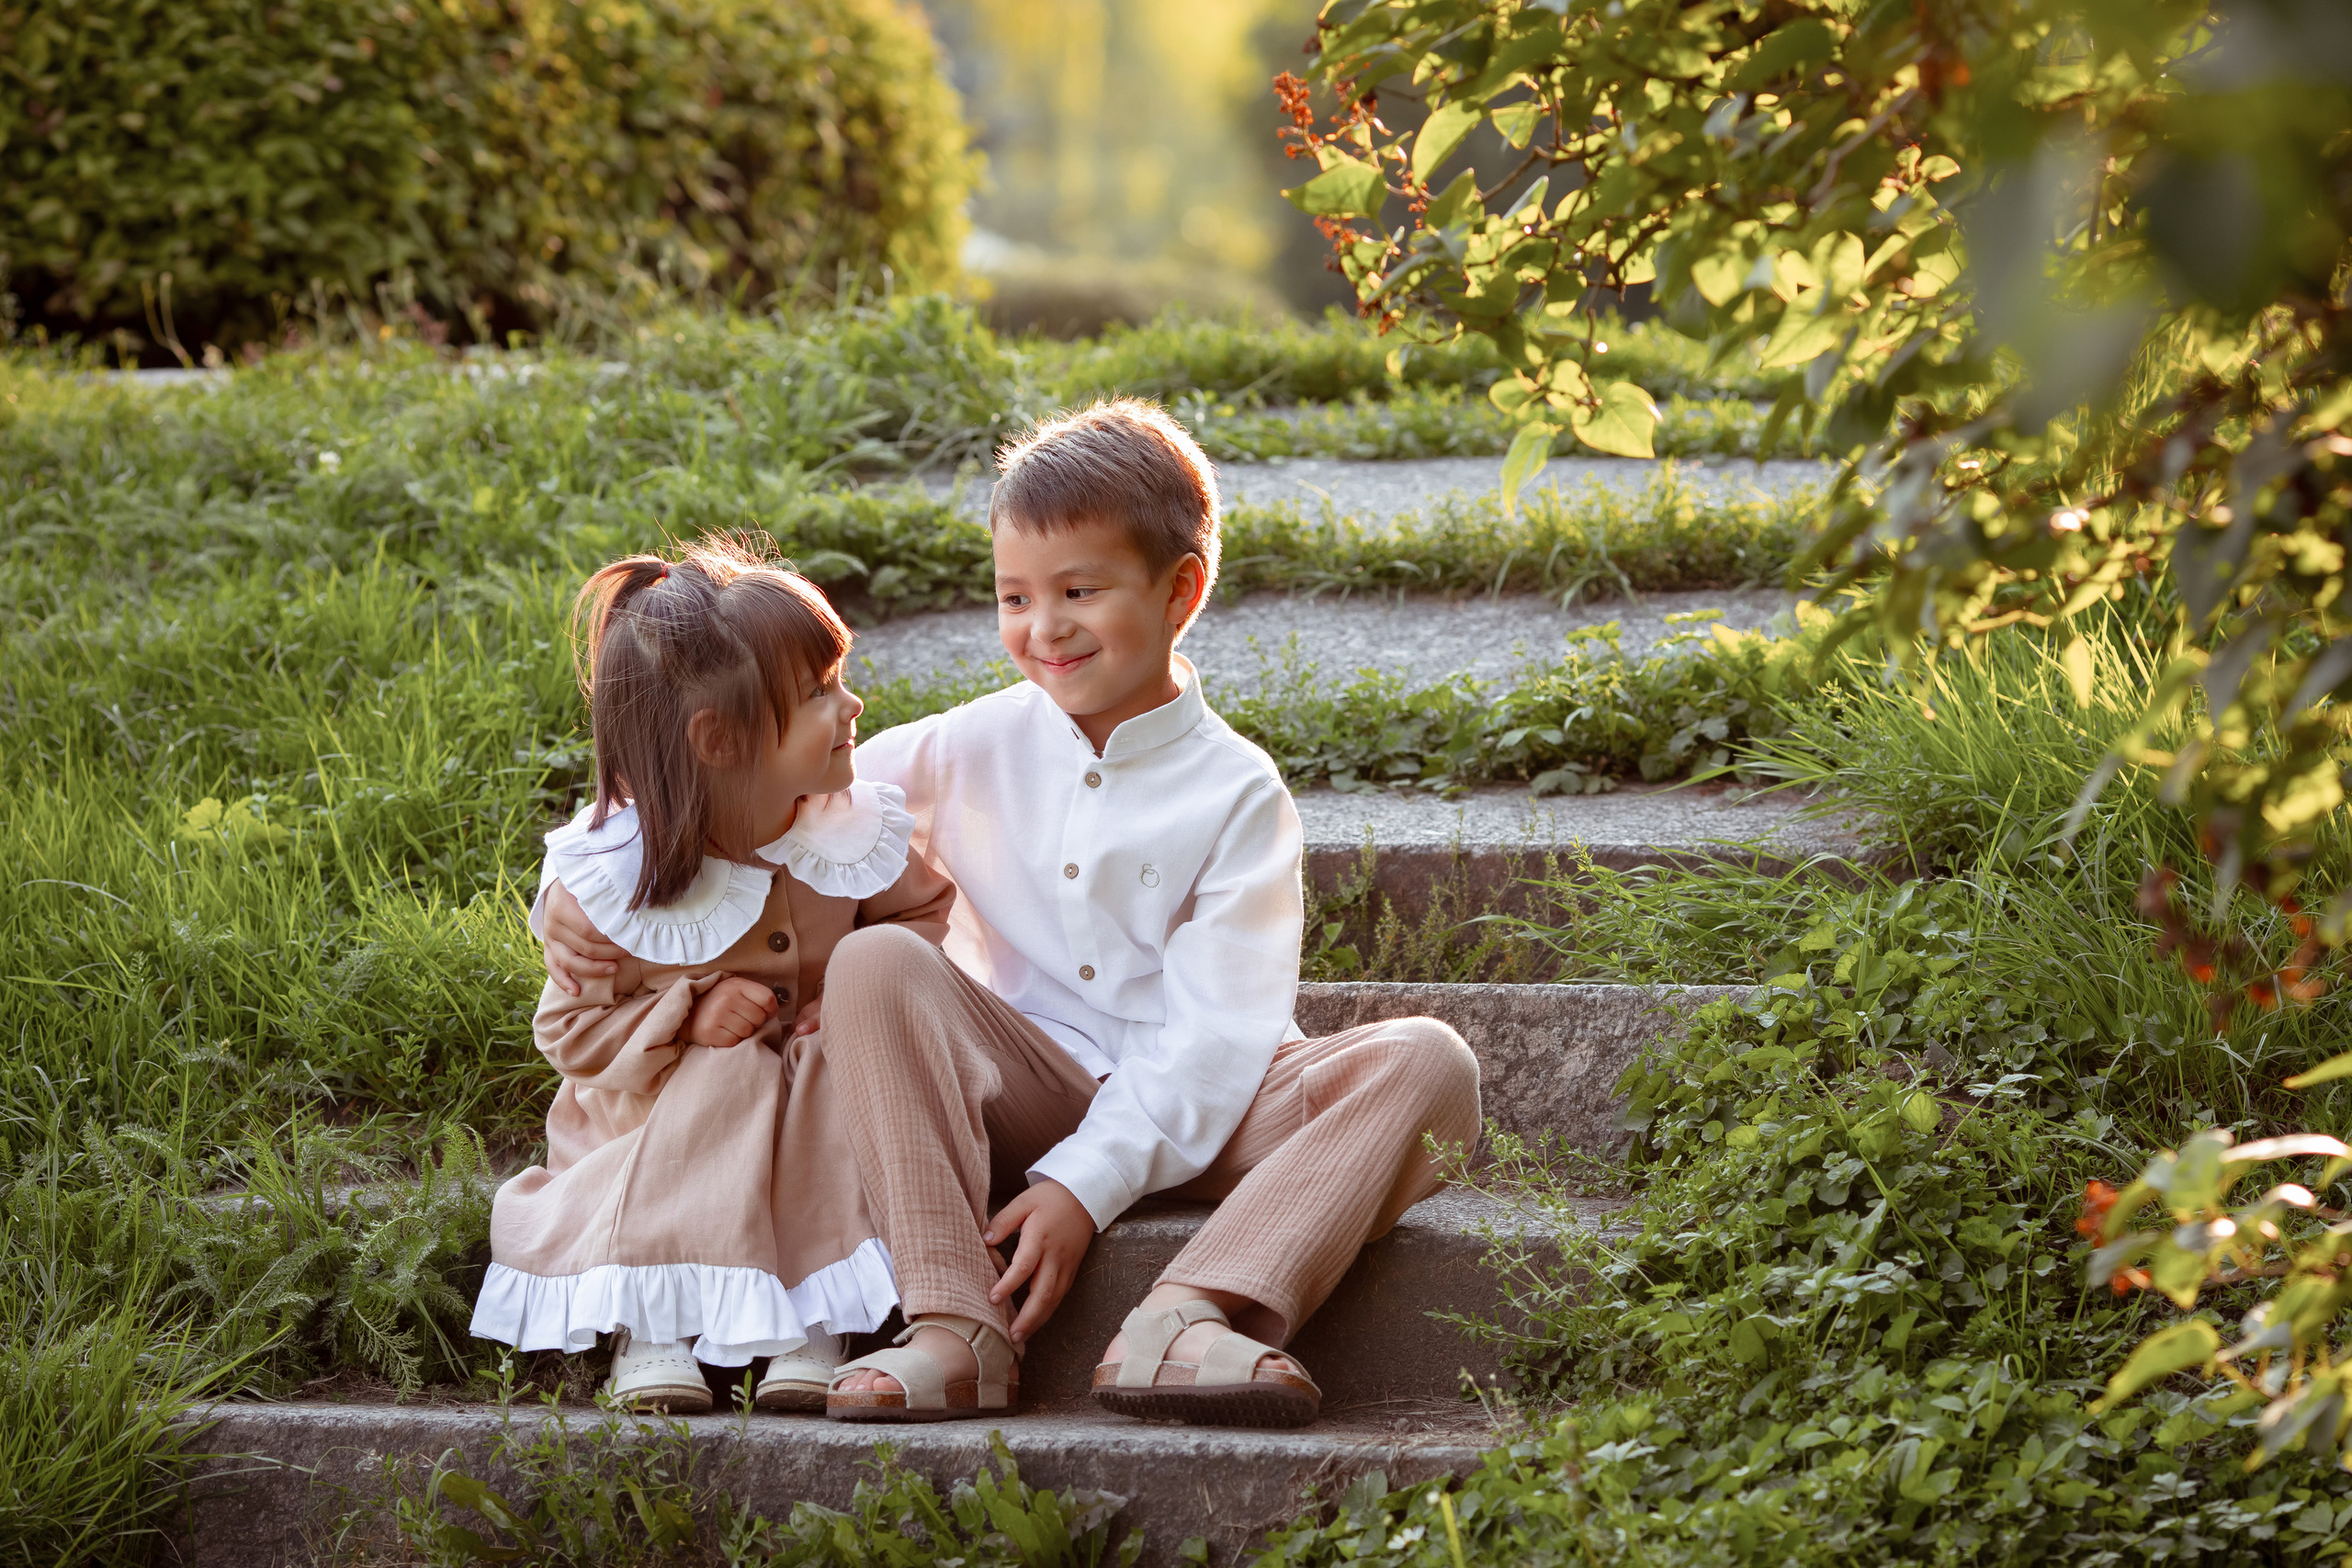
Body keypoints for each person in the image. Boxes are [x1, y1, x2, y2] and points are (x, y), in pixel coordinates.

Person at [544, 400, 1480, 1428]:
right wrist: (632, 884)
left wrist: (1084, 1189)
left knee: (1430, 1065)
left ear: (1182, 590)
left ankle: (1191, 1312)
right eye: (1014, 597)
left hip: (1205, 1107)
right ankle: (956, 1326)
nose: (1044, 629)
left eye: (1079, 590)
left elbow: (1219, 1038)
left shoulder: (1238, 794)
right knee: (877, 965)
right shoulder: (959, 747)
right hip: (1013, 1086)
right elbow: (766, 785)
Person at [474, 537, 954, 1415]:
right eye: (818, 693)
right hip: (660, 1117)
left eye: (838, 677)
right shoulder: (614, 885)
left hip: (811, 1114)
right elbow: (572, 1033)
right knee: (721, 1079)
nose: (853, 704)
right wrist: (684, 1013)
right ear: (720, 740)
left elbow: (923, 915)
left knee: (827, 1085)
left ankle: (815, 1324)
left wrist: (853, 991)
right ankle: (655, 1325)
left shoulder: (848, 832)